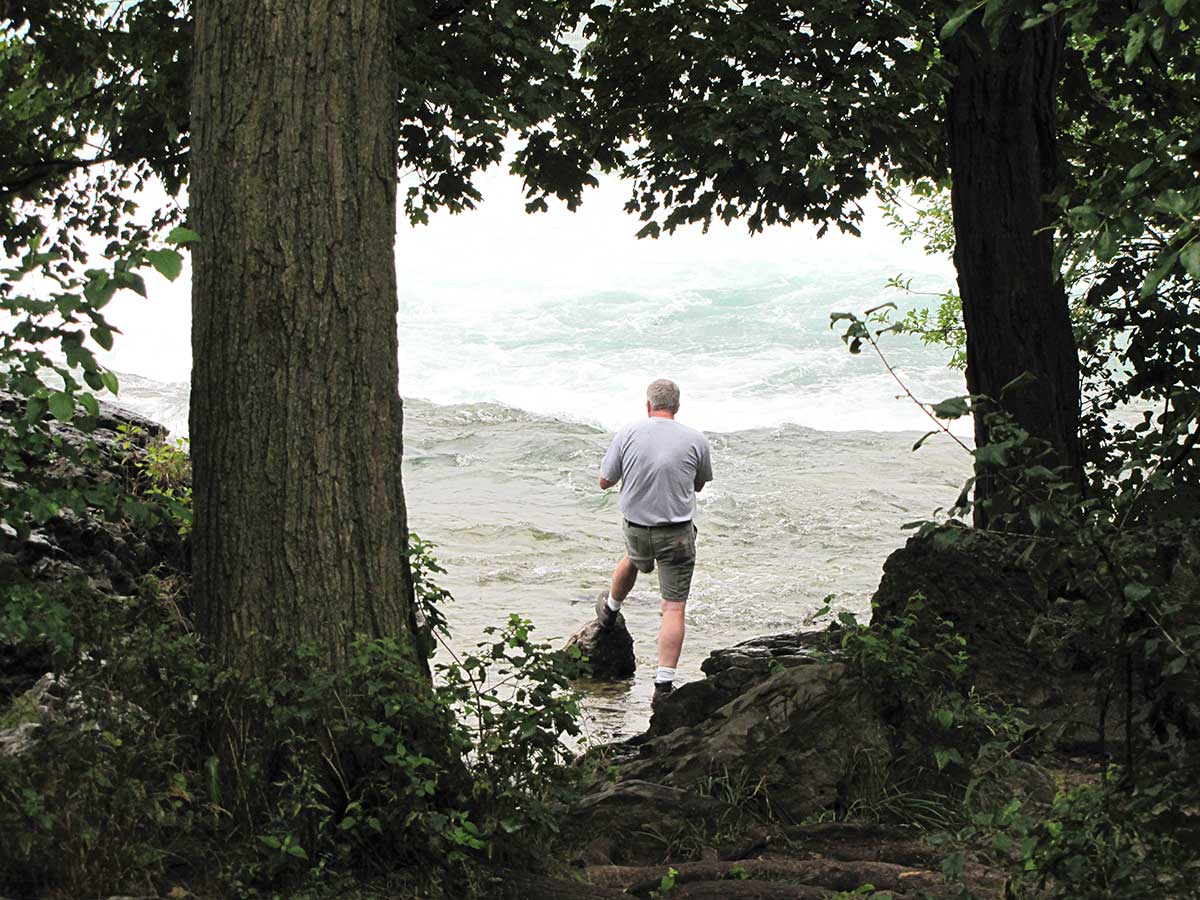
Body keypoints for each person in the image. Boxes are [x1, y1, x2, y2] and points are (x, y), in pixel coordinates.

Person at [596, 378, 713, 708]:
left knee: (632, 558)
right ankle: (662, 687)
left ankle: (610, 611)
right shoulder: (695, 439)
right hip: (676, 534)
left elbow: (604, 480)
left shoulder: (629, 432)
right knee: (673, 607)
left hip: (637, 528)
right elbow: (700, 485)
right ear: (677, 407)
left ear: (648, 406)